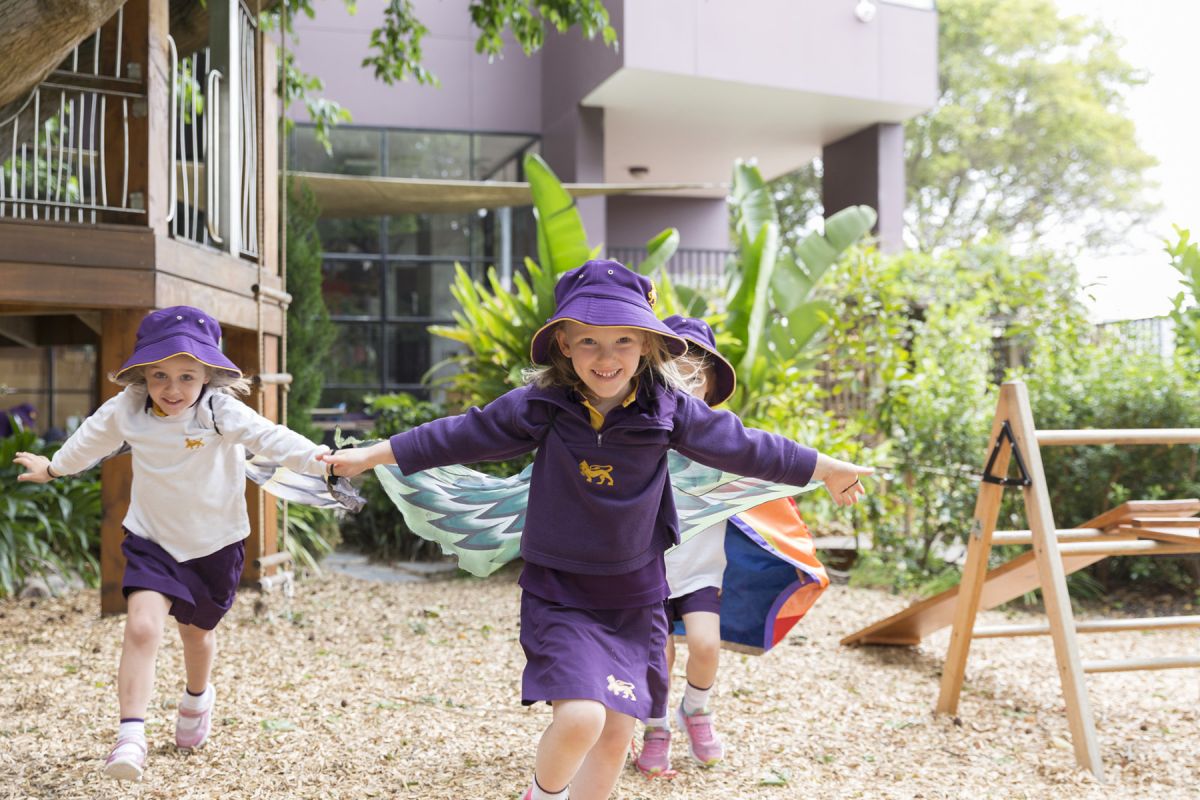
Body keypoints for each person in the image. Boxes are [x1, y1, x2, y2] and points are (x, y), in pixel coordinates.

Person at [321, 260, 872, 800]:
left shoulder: (669, 409)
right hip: (561, 592)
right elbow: (465, 433)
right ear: (563, 343)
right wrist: (371, 455)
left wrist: (827, 469)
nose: (606, 358)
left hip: (637, 600)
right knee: (582, 717)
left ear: (647, 346)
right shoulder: (544, 406)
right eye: (589, 342)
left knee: (615, 733)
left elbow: (749, 447)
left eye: (623, 342)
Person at [12, 306, 334, 783]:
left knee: (196, 634)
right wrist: (54, 467)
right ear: (142, 372)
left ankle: (197, 698)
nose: (172, 388)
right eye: (160, 374)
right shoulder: (128, 407)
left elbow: (269, 437)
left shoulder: (218, 410)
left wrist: (320, 459)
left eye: (187, 375)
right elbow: (89, 440)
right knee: (142, 627)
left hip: (216, 544)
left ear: (208, 373)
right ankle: (130, 735)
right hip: (151, 539)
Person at [634, 314, 737, 775]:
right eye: (677, 374)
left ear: (712, 384)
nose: (687, 383)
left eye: (697, 376)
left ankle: (696, 709)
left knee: (706, 644)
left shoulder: (723, 432)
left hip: (700, 568)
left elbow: (764, 465)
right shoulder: (641, 430)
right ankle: (655, 727)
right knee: (658, 655)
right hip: (649, 567)